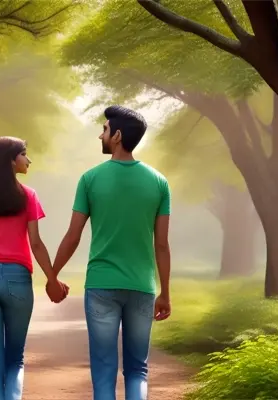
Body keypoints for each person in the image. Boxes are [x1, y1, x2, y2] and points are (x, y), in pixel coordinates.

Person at [51, 105, 172, 400]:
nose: (100, 135)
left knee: (104, 369)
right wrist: (165, 292)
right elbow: (161, 244)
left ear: (117, 136)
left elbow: (72, 236)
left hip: (101, 286)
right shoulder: (159, 182)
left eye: (104, 130)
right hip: (142, 286)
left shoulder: (90, 179)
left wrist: (53, 274)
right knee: (137, 370)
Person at [0, 136, 68, 400]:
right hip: (17, 280)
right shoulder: (28, 196)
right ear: (10, 160)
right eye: (24, 154)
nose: (28, 160)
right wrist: (52, 279)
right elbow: (36, 244)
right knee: (14, 360)